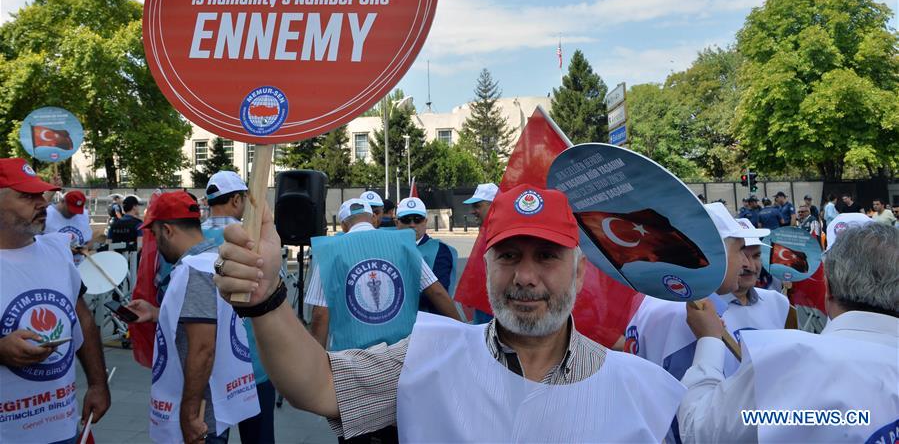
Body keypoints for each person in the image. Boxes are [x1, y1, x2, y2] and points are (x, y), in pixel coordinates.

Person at [213, 184, 685, 442]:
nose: (525, 276)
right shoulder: (427, 356)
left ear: (579, 273)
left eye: (547, 257)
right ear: (486, 267)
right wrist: (266, 298)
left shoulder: (644, 391)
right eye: (508, 256)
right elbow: (317, 386)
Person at [678, 223, 899, 442]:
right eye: (743, 254)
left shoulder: (793, 360)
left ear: (828, 289)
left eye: (756, 256)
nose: (749, 265)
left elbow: (697, 430)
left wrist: (709, 340)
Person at [621, 204, 770, 442]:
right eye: (740, 250)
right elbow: (688, 422)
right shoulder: (689, 315)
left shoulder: (664, 300)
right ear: (714, 254)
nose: (746, 263)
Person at [126, 191, 259, 444]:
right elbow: (203, 321)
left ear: (167, 230)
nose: (155, 243)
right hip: (215, 404)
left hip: (201, 416)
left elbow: (202, 348)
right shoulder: (214, 259)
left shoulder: (195, 270)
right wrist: (155, 313)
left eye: (154, 234)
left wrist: (189, 415)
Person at [0, 158, 110, 443]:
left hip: (61, 425)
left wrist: (98, 384)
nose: (42, 203)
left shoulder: (57, 251)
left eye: (41, 194)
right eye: (27, 196)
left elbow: (82, 319)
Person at [305, 198, 460, 348]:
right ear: (373, 218)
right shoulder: (403, 242)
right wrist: (462, 330)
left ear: (344, 226)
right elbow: (437, 292)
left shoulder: (329, 251)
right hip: (402, 350)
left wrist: (316, 360)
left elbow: (320, 314)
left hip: (353, 354)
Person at [201, 170, 275, 444]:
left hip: (206, 363)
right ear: (235, 200)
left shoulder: (190, 238)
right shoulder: (251, 239)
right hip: (251, 362)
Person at [395, 196, 459, 311]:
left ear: (425, 221)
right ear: (397, 222)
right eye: (406, 219)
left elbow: (438, 293)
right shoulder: (388, 247)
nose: (412, 224)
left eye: (417, 219)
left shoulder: (441, 250)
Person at [45, 189, 93, 266]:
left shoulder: (83, 215)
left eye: (77, 211)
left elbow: (89, 241)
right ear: (62, 201)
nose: (73, 213)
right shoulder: (47, 214)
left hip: (77, 266)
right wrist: (65, 250)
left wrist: (85, 248)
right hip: (53, 265)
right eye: (71, 210)